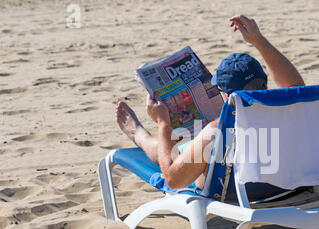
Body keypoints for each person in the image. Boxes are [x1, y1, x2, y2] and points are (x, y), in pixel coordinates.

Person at [115, 15, 305, 191]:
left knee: (171, 150)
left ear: (224, 94)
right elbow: (294, 84)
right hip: (286, 188)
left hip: (239, 193)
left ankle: (139, 136)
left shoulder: (217, 133)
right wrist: (258, 40)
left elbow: (173, 180)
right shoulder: (289, 110)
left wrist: (163, 122)